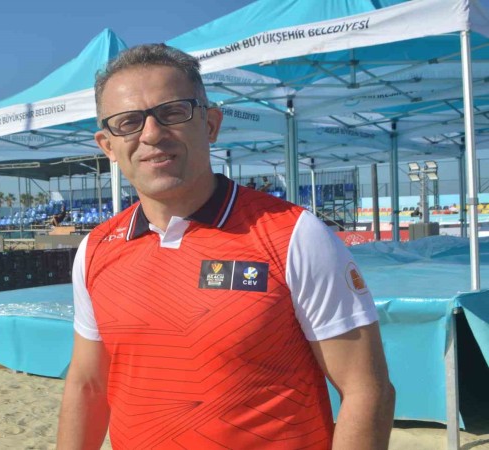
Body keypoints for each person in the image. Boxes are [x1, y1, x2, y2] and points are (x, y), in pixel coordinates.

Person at [57, 44, 395, 450]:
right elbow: (88, 385)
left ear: (211, 124)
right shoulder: (96, 249)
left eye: (173, 112)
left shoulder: (294, 235)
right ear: (108, 146)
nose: (151, 134)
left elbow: (366, 390)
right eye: (128, 122)